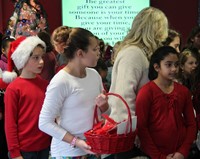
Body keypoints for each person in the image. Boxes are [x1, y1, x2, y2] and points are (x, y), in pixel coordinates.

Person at [39, 27, 109, 159]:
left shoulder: (94, 75)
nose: (98, 53)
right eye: (94, 50)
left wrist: (104, 106)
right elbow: (44, 123)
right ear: (80, 53)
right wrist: (75, 141)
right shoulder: (61, 81)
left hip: (92, 150)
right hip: (67, 153)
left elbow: (105, 114)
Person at [108, 7, 169, 159]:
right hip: (130, 137)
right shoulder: (133, 54)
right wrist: (133, 132)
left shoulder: (140, 53)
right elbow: (123, 97)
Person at [136, 46, 196, 159]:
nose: (174, 69)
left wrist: (182, 152)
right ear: (157, 67)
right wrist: (159, 157)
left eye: (176, 64)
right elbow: (142, 128)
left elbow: (191, 124)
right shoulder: (146, 92)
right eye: (168, 65)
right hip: (154, 154)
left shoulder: (183, 91)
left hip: (180, 153)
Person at [3, 36, 51, 159]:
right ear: (23, 59)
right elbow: (10, 123)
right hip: (24, 150)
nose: (41, 62)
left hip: (45, 146)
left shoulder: (45, 84)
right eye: (36, 58)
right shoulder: (14, 89)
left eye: (42, 57)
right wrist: (15, 153)